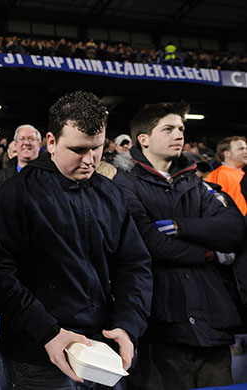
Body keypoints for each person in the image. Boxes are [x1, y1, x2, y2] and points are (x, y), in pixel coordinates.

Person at [0, 91, 153, 390]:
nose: (89, 160)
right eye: (78, 149)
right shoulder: (16, 193)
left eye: (97, 148)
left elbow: (134, 265)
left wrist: (128, 325)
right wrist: (47, 331)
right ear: (51, 142)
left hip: (101, 351)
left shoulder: (110, 194)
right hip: (37, 356)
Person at [113, 102, 246, 390]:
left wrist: (180, 227)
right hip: (160, 323)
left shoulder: (196, 183)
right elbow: (149, 243)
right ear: (143, 139)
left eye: (182, 129)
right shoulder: (124, 183)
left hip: (211, 322)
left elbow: (234, 228)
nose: (179, 135)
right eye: (169, 129)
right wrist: (209, 253)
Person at [0, 124, 40, 220]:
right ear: (15, 145)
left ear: (39, 145)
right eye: (22, 139)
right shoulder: (1, 176)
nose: (26, 143)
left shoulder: (50, 176)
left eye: (31, 139)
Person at [206, 136, 247, 215]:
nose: (246, 151)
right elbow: (216, 205)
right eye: (241, 149)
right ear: (227, 153)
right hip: (236, 224)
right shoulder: (219, 174)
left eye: (246, 148)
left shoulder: (244, 173)